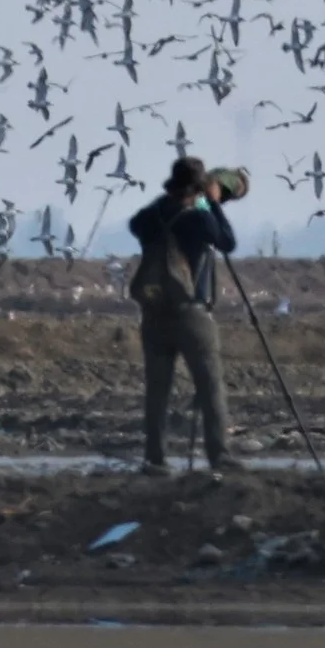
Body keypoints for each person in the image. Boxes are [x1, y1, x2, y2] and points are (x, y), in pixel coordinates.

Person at [127, 156, 240, 474]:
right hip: (191, 313)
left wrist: (169, 203)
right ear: (198, 187)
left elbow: (137, 223)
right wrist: (213, 203)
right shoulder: (198, 218)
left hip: (153, 313)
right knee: (209, 385)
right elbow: (227, 241)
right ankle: (219, 455)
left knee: (157, 389)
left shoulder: (151, 218)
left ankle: (155, 458)